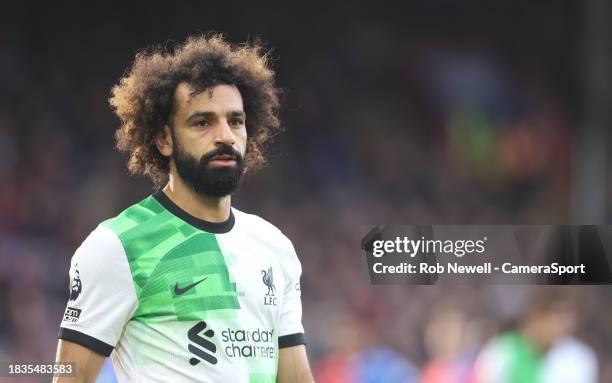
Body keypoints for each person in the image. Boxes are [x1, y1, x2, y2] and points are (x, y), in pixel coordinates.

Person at [53, 34, 313, 383]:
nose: (225, 136)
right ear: (164, 139)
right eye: (202, 122)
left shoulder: (273, 246)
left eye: (235, 121)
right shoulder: (118, 246)